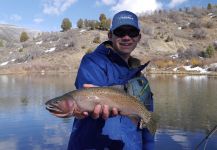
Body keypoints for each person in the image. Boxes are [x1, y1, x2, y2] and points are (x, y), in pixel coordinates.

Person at [68, 10, 155, 150]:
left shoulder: (140, 79)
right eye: (120, 32)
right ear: (110, 36)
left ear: (138, 38)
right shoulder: (92, 62)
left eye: (132, 32)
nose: (126, 37)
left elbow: (148, 130)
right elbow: (85, 102)